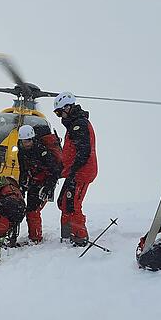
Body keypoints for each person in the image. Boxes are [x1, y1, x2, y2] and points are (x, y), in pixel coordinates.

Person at [53, 92, 97, 246]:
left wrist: (73, 170)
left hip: (82, 172)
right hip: (75, 171)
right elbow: (70, 152)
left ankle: (79, 237)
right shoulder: (74, 124)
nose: (60, 116)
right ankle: (66, 235)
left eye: (60, 112)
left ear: (68, 107)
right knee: (64, 202)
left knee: (73, 205)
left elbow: (83, 152)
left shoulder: (79, 125)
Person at [17, 124, 63, 244]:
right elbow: (23, 170)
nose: (25, 144)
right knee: (30, 209)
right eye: (23, 141)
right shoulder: (21, 151)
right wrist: (21, 186)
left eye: (27, 141)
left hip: (44, 183)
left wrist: (48, 187)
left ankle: (35, 238)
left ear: (32, 139)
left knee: (33, 210)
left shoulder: (42, 151)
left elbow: (54, 170)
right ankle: (34, 236)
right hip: (33, 182)